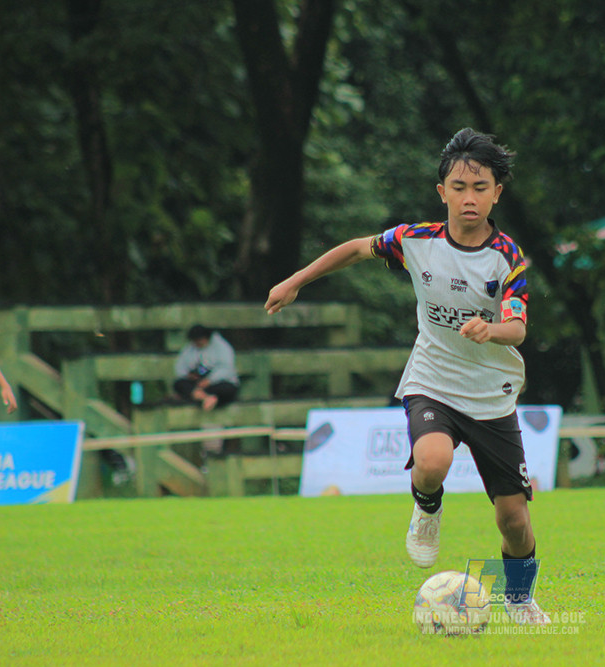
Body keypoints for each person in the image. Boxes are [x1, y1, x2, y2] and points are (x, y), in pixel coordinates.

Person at [264, 128, 550, 625]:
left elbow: (519, 328)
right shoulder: (415, 241)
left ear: (497, 194)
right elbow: (357, 249)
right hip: (432, 380)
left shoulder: (507, 258)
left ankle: (520, 600)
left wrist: (491, 329)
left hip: (492, 396)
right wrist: (296, 280)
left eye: (480, 188)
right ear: (442, 192)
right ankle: (427, 509)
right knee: (432, 460)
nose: (469, 198)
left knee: (514, 521)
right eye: (459, 187)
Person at [173, 324, 240, 411]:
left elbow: (226, 368)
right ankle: (204, 397)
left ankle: (202, 397)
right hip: (198, 383)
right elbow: (180, 367)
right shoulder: (189, 348)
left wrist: (210, 380)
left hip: (216, 382)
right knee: (179, 384)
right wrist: (189, 375)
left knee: (228, 389)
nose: (197, 344)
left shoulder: (222, 347)